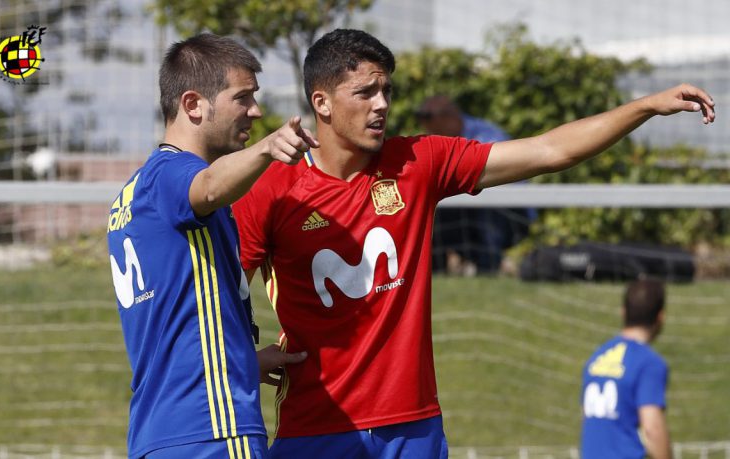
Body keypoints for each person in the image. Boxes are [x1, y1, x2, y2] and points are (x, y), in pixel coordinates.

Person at [233, 28, 713, 458]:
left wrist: (645, 106)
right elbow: (220, 295)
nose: (381, 104)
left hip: (413, 426)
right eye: (365, 92)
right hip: (317, 426)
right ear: (322, 103)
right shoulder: (271, 189)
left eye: (387, 90)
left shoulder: (418, 162)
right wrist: (243, 361)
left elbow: (550, 150)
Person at [106, 33, 314, 459]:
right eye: (243, 98)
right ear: (193, 104)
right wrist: (267, 149)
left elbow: (177, 322)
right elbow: (207, 187)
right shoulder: (176, 175)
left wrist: (243, 362)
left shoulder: (129, 197)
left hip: (158, 433)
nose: (255, 111)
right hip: (214, 429)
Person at [416, 95, 535, 275]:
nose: (428, 130)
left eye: (431, 123)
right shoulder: (438, 141)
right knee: (428, 213)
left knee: (482, 213)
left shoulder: (487, 135)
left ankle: (488, 270)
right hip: (465, 207)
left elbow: (505, 181)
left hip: (508, 212)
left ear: (449, 116)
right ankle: (432, 273)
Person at [580, 279, 671, 459]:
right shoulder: (648, 362)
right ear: (660, 317)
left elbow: (586, 418)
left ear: (623, 313)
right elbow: (652, 429)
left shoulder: (597, 358)